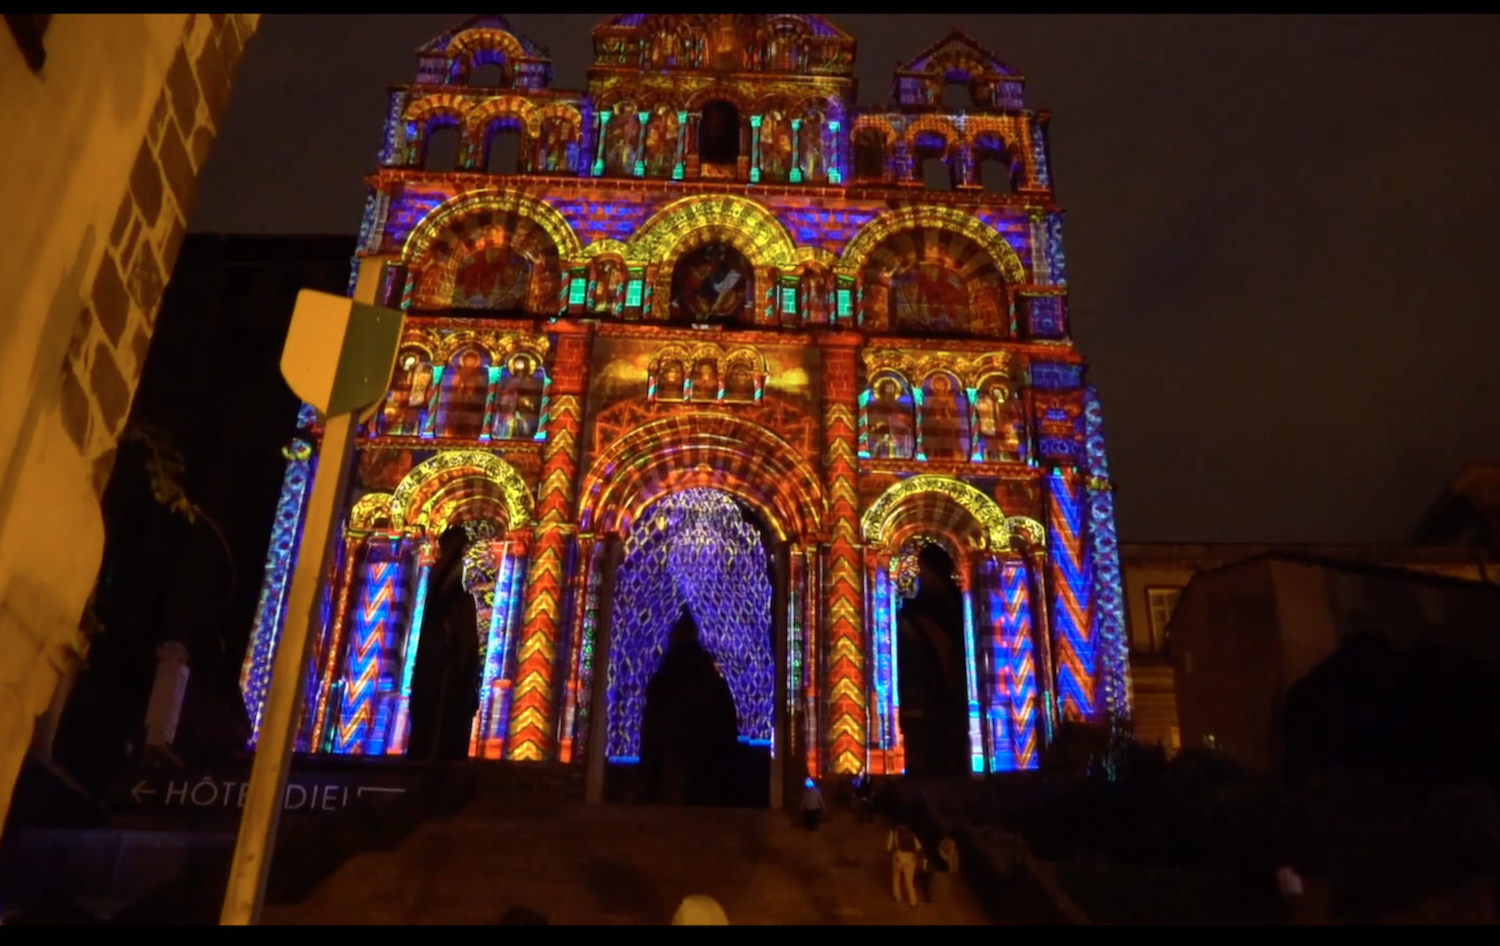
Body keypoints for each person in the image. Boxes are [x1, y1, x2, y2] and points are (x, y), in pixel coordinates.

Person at [888, 823, 923, 908]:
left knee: (896, 877)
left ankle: (897, 896)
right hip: (910, 858)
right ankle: (913, 901)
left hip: (898, 857)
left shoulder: (894, 832)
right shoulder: (911, 833)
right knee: (909, 882)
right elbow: (918, 847)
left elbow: (889, 847)